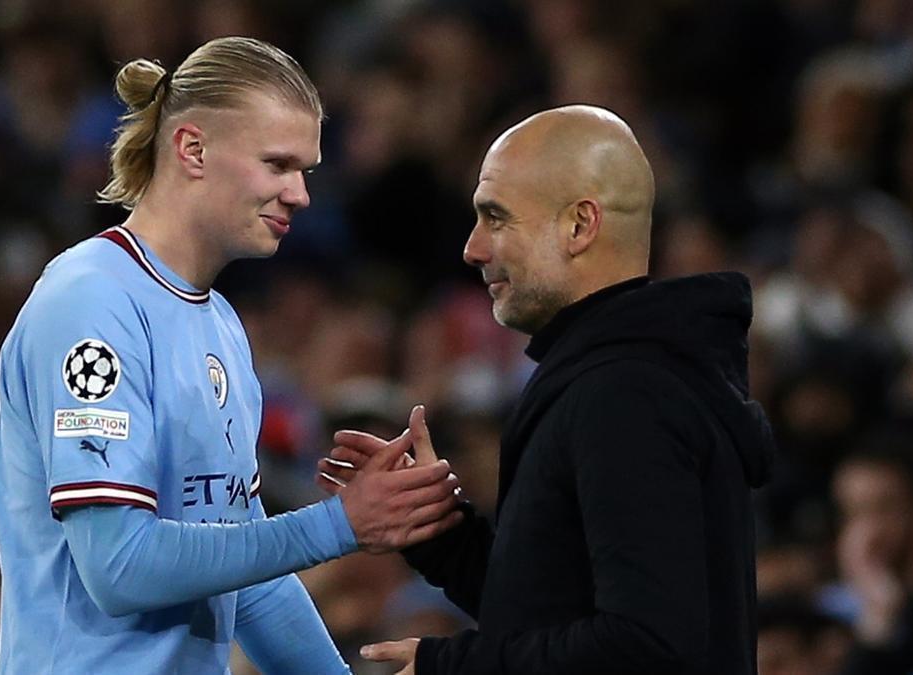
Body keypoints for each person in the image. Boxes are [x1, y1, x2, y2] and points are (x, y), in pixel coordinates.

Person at [0, 37, 462, 674]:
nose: (300, 194)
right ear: (193, 149)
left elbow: (247, 580)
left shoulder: (220, 323)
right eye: (277, 165)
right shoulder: (91, 303)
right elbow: (118, 567)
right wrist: (337, 525)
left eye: (307, 171)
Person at [319, 105, 775, 674]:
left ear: (580, 225)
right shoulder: (610, 377)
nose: (473, 248)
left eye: (496, 217)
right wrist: (438, 530)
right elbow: (546, 616)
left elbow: (650, 645)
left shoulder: (626, 394)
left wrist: (457, 667)